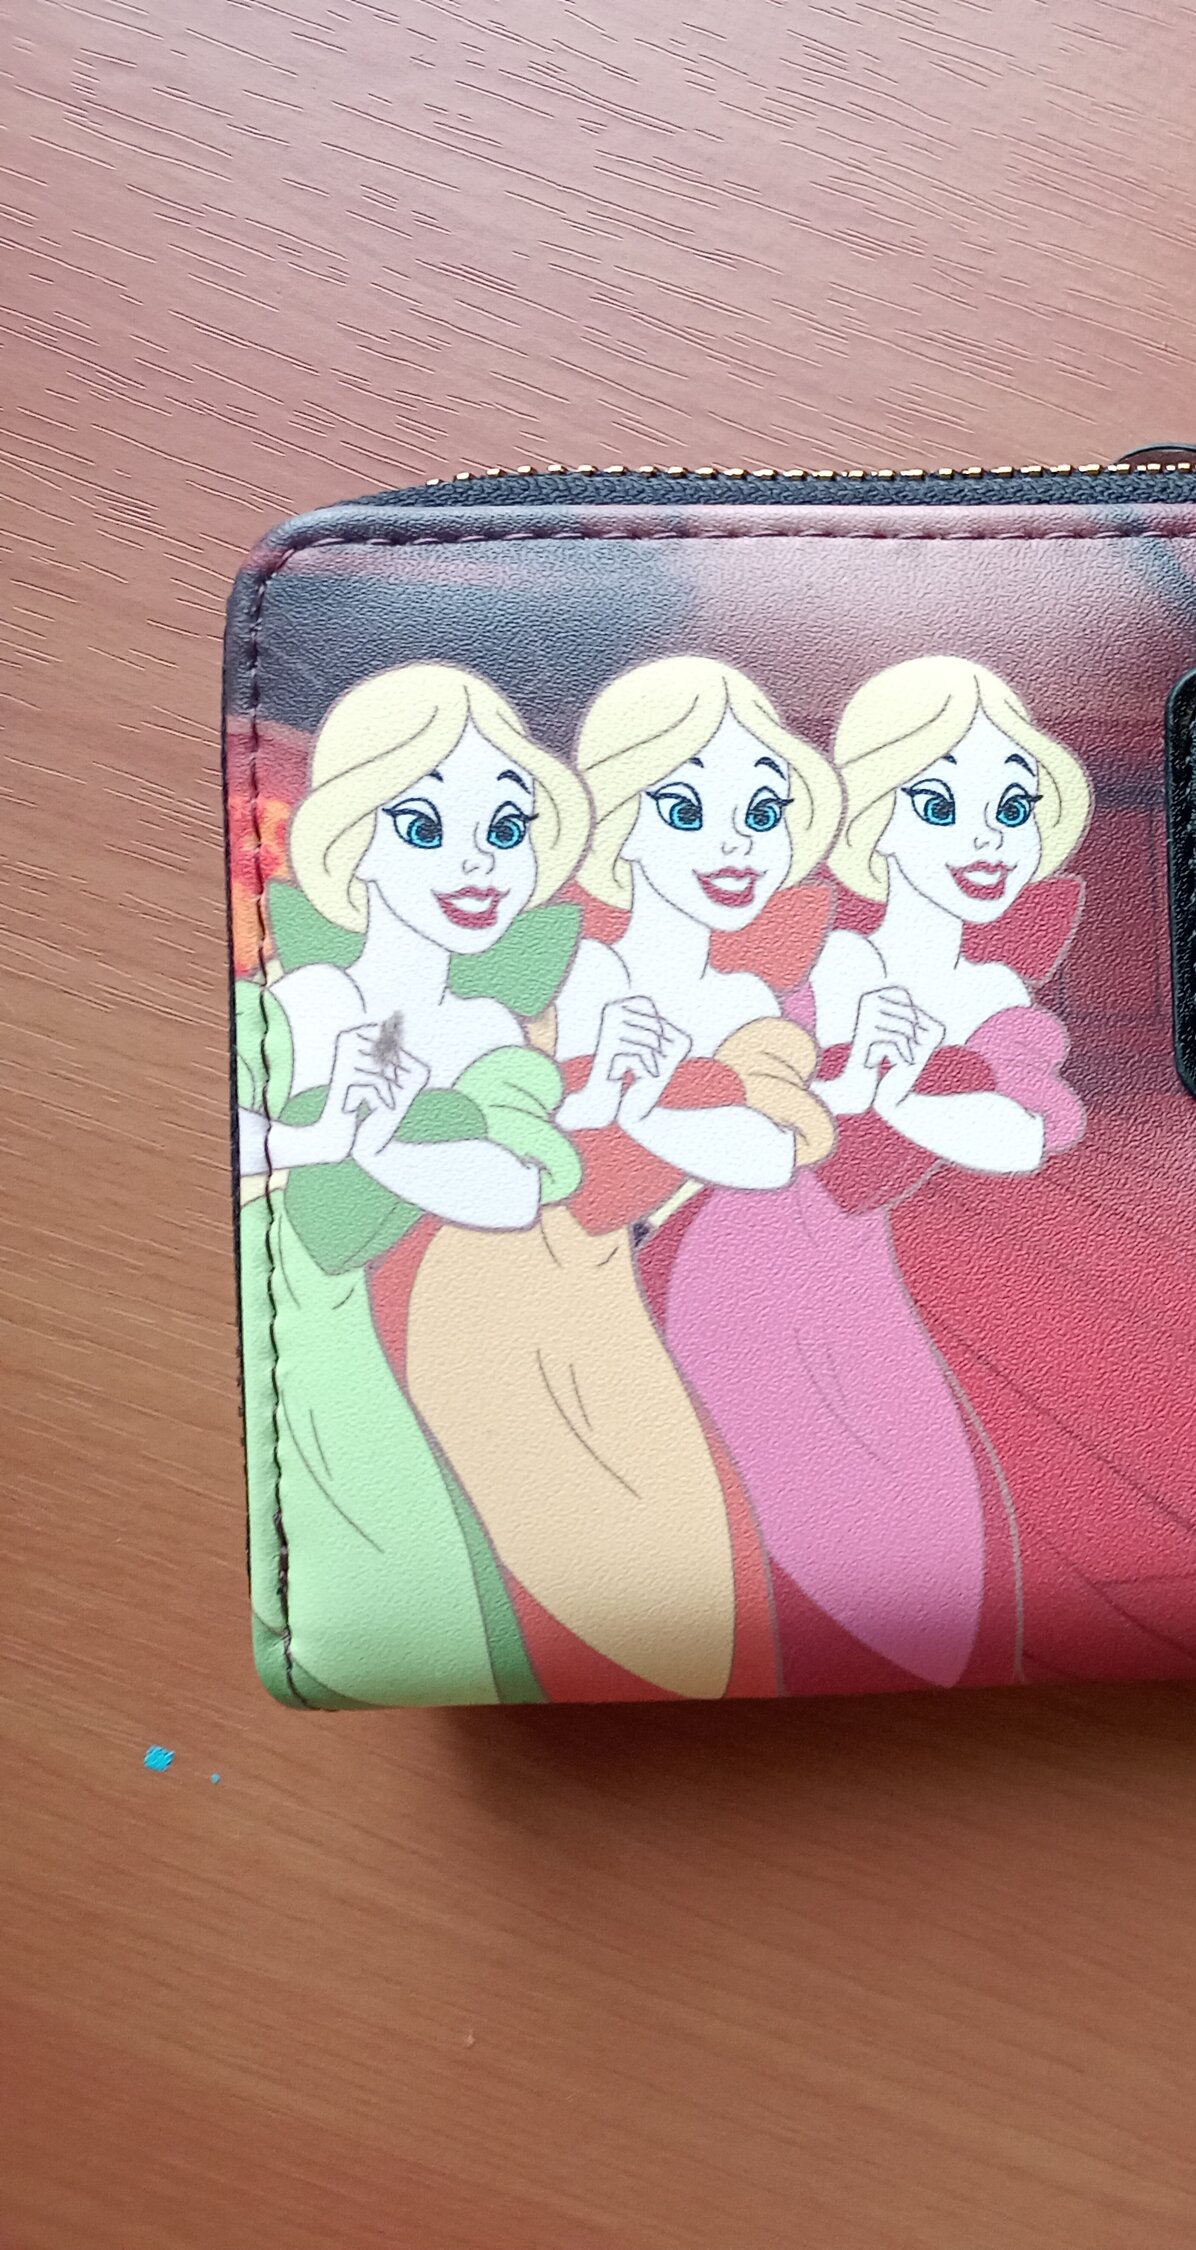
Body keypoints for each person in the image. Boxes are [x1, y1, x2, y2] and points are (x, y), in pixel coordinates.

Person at [651, 655, 1091, 1692]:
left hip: (852, 1269)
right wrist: (870, 1083)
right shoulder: (818, 960)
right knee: (797, 1510)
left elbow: (1021, 1133)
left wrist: (895, 1088)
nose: (985, 839)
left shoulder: (989, 990)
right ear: (873, 822)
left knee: (922, 1503)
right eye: (937, 805)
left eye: (1013, 807)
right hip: (738, 1261)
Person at [409, 657, 838, 1699]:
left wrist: (643, 1099)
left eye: (761, 812)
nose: (733, 845)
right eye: (685, 810)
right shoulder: (561, 969)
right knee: (609, 1584)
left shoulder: (744, 1009)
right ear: (619, 825)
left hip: (602, 1293)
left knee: (691, 1570)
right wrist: (625, 1094)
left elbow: (768, 1150)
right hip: (485, 1282)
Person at [236, 662, 586, 1705]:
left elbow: (515, 1187)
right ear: (353, 841)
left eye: (507, 830)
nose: (477, 863)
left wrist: (376, 1135)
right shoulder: (302, 999)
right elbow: (243, 1145)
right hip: (318, 1345)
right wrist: (328, 1134)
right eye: (425, 829)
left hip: (439, 1345)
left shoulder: (486, 1025)